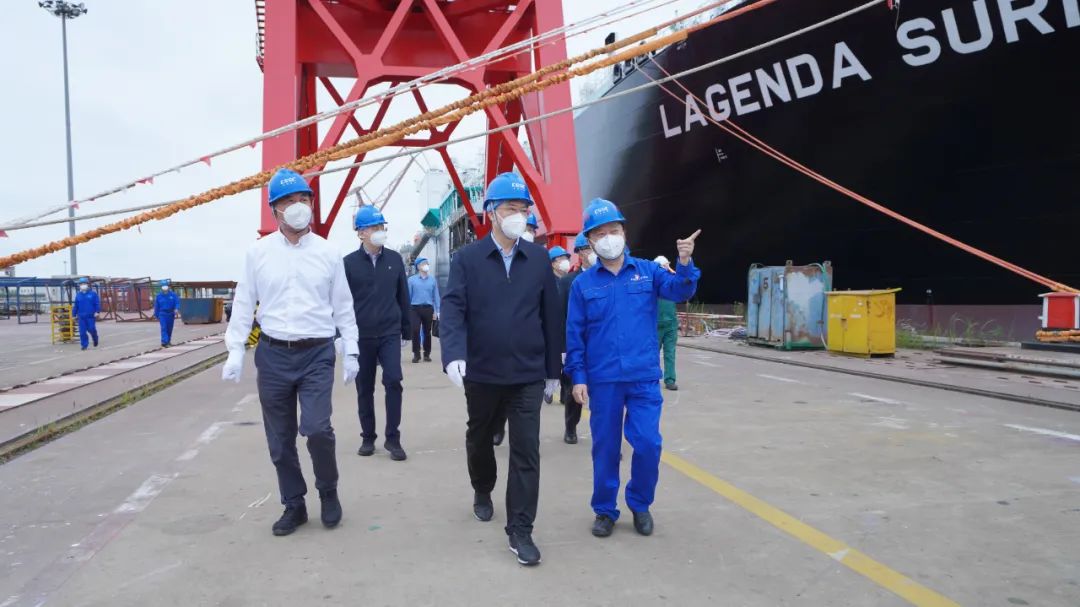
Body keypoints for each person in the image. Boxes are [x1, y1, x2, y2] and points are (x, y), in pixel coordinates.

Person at [221, 168, 360, 537]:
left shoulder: (329, 253)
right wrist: (235, 349)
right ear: (274, 210)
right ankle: (294, 504)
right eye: (288, 201)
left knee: (317, 428)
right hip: (273, 354)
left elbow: (343, 305)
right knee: (280, 439)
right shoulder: (258, 254)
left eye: (303, 199)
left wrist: (352, 349)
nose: (298, 206)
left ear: (312, 204)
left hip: (316, 353)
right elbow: (244, 301)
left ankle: (328, 491)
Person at [440, 171, 562, 567]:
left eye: (523, 209)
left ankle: (520, 530)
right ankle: (482, 487)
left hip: (527, 373)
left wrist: (553, 370)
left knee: (527, 451)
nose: (518, 216)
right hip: (482, 372)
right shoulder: (467, 260)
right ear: (491, 212)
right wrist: (453, 354)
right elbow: (453, 308)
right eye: (510, 208)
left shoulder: (538, 258)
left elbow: (550, 315)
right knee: (480, 437)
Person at [565, 198, 700, 539]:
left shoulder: (648, 272)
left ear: (624, 233)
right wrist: (577, 377)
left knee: (648, 443)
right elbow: (575, 335)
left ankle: (640, 503)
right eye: (600, 234)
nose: (608, 238)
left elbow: (681, 290)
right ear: (590, 241)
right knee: (606, 448)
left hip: (643, 378)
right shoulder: (583, 285)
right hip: (604, 380)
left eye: (614, 230)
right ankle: (605, 510)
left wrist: (684, 262)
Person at [344, 205, 411, 461]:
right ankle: (368, 437)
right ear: (361, 232)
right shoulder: (348, 263)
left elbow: (403, 295)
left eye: (381, 226)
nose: (379, 231)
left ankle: (393, 439)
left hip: (389, 333)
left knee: (393, 381)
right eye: (374, 227)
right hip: (361, 335)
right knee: (364, 388)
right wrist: (342, 336)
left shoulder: (394, 260)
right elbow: (342, 302)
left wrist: (407, 330)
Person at [556, 232, 596, 444]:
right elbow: (561, 317)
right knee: (574, 390)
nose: (593, 251)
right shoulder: (568, 282)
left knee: (606, 397)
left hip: (601, 347)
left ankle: (606, 438)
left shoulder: (610, 279)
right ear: (580, 253)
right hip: (576, 346)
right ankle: (571, 426)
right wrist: (563, 348)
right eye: (588, 248)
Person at [653, 256, 680, 391]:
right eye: (665, 265)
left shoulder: (671, 280)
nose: (667, 268)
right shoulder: (652, 281)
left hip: (671, 324)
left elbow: (681, 284)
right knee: (653, 354)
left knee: (670, 353)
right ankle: (652, 378)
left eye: (667, 265)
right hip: (655, 324)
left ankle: (670, 380)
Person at [407, 257, 439, 363]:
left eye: (427, 263)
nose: (426, 265)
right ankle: (416, 354)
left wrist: (437, 311)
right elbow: (408, 296)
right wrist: (406, 310)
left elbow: (436, 296)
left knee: (427, 331)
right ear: (418, 266)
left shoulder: (432, 280)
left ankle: (427, 354)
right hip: (414, 308)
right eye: (424, 263)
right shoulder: (411, 280)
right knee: (415, 330)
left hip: (428, 308)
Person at [73, 277, 100, 351]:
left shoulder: (93, 294)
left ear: (87, 284)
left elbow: (97, 303)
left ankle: (95, 338)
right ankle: (84, 345)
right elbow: (76, 305)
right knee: (82, 332)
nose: (83, 285)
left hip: (90, 316)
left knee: (91, 329)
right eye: (81, 284)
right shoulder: (78, 295)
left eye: (84, 283)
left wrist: (97, 311)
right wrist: (73, 315)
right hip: (81, 317)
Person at [154, 279, 180, 348]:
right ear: (161, 287)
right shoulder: (159, 296)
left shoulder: (173, 295)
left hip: (171, 314)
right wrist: (156, 315)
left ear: (168, 287)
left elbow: (177, 302)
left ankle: (168, 341)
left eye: (165, 286)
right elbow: (156, 306)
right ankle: (164, 342)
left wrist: (176, 308)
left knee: (169, 328)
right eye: (163, 286)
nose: (165, 288)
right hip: (162, 314)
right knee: (164, 327)